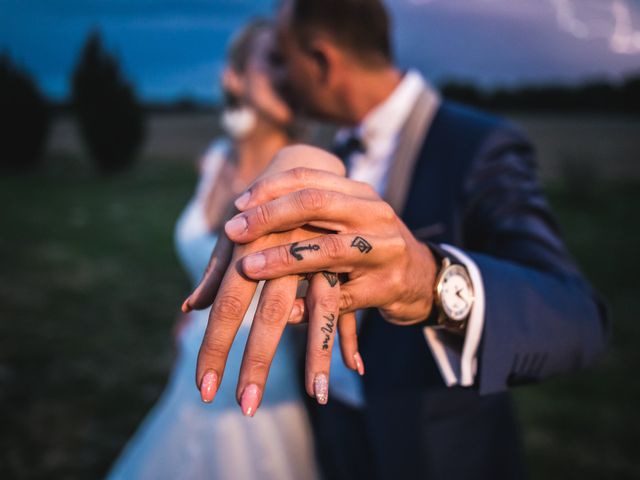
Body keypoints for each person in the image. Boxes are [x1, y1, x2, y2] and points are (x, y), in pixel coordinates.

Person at [184, 1, 610, 478]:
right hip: (329, 435)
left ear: (323, 61)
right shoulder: (326, 148)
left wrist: (429, 280)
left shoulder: (476, 144)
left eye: (285, 59)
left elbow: (578, 318)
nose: (282, 80)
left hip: (438, 453)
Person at [107, 20, 319, 480]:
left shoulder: (302, 176)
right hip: (191, 366)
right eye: (275, 59)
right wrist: (189, 311)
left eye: (297, 62)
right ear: (234, 77)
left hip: (258, 377)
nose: (290, 73)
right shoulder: (216, 157)